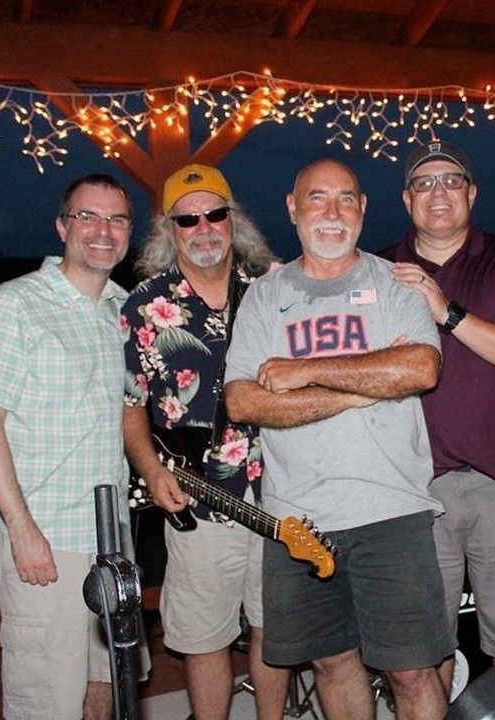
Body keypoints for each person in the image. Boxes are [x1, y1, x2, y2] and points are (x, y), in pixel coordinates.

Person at [223, 158, 452, 720]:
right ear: (292, 208)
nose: (332, 213)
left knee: (412, 670)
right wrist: (366, 387)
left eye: (345, 199)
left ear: (364, 208)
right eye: (317, 198)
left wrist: (306, 369)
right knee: (330, 663)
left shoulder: (395, 282)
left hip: (390, 511)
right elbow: (244, 401)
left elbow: (421, 369)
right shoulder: (262, 296)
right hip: (296, 519)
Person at [382, 141, 495, 689]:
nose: (439, 193)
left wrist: (446, 311)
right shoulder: (379, 273)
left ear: (472, 194)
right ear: (407, 199)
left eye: (451, 181)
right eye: (425, 183)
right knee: (421, 652)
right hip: (411, 491)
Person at [0, 173, 140, 719]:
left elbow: (137, 408)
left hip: (111, 539)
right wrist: (21, 529)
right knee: (47, 702)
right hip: (46, 542)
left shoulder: (123, 311)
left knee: (104, 686)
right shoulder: (16, 304)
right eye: (88, 216)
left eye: (116, 219)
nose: (102, 231)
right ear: (62, 225)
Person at [120, 163, 289, 720]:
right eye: (187, 218)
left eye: (214, 213)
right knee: (204, 638)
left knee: (275, 629)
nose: (203, 227)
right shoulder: (143, 306)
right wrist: (150, 470)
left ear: (232, 220)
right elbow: (128, 407)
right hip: (197, 500)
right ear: (170, 230)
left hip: (282, 494)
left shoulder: (276, 287)